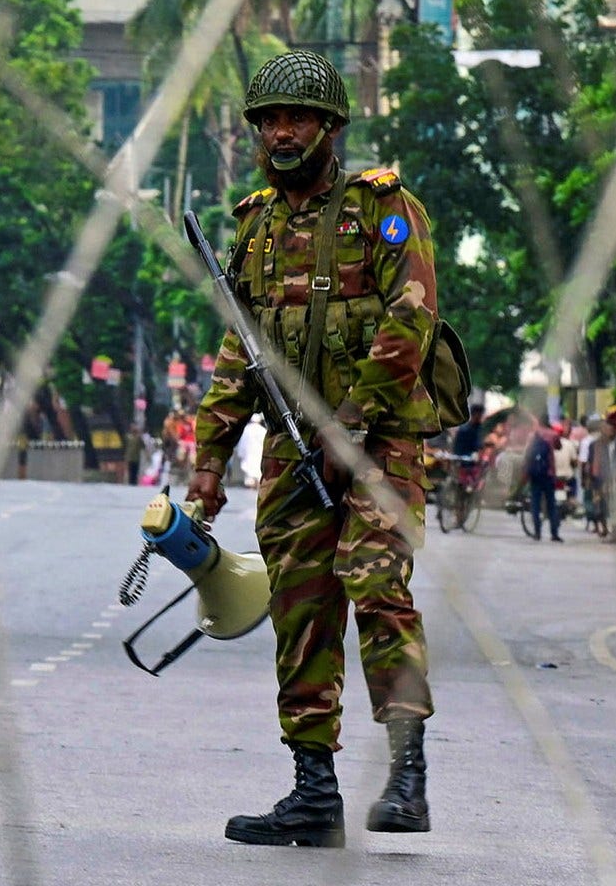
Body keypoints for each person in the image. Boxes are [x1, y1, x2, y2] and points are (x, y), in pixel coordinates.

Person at [186, 51, 438, 846]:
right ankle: (313, 792)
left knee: (374, 585)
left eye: (297, 118)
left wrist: (352, 423)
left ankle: (406, 778)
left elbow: (411, 322)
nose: (282, 132)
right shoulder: (255, 224)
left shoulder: (384, 212)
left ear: (331, 127)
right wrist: (207, 464)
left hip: (380, 444)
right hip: (293, 452)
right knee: (300, 611)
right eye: (268, 120)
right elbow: (241, 354)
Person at [523, 422, 560, 542]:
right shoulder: (553, 435)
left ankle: (537, 533)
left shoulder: (533, 436)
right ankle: (554, 533)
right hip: (548, 475)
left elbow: (527, 456)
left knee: (535, 504)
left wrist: (526, 472)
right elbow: (558, 447)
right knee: (551, 505)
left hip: (535, 475)